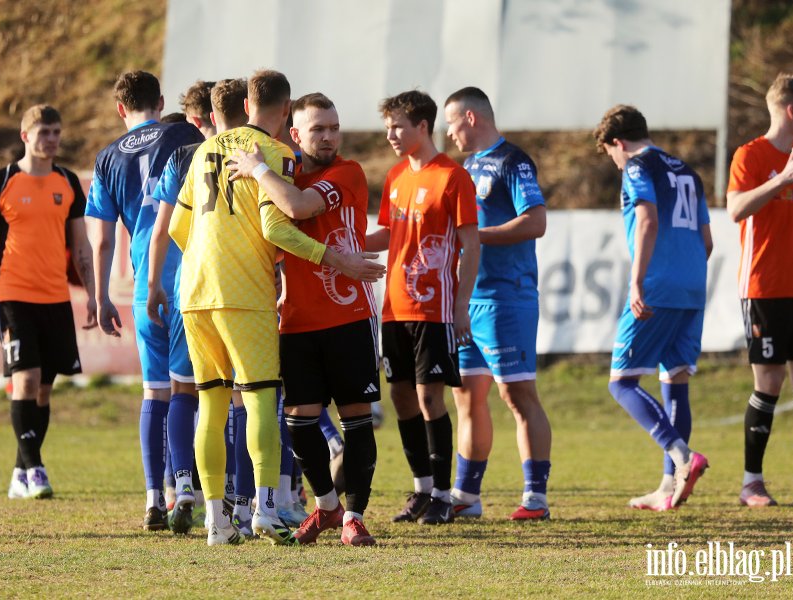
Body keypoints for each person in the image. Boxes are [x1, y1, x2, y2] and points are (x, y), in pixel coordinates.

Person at [228, 92, 380, 545]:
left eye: (334, 127)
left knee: (355, 420)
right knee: (298, 422)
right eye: (318, 129)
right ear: (295, 135)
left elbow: (297, 207)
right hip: (294, 320)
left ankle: (353, 515)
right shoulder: (283, 174)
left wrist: (257, 169)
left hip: (349, 315)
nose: (330, 136)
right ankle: (327, 506)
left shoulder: (346, 172)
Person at [85, 70, 203, 530]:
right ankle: (187, 486)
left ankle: (154, 497)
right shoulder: (184, 134)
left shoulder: (106, 158)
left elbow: (100, 241)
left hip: (142, 286)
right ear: (159, 100)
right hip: (187, 277)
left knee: (153, 390)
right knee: (188, 389)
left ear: (120, 109)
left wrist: (99, 297)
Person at [0, 105, 97, 500]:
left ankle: (21, 469)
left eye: (57, 132)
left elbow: (80, 244)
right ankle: (36, 470)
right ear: (25, 136)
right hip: (12, 295)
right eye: (44, 132)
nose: (52, 139)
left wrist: (92, 293)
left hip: (55, 298)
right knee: (23, 379)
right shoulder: (1, 181)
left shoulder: (68, 182)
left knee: (43, 389)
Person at [365, 90, 480, 525]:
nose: (391, 134)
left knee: (432, 396)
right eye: (388, 127)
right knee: (400, 396)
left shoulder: (453, 178)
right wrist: (336, 241)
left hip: (435, 308)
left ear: (422, 127)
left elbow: (471, 245)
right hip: (394, 307)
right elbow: (387, 236)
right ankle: (422, 490)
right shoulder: (395, 176)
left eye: (398, 126)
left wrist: (462, 304)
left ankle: (445, 496)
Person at [443, 87, 553, 520]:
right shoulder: (466, 167)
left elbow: (537, 220)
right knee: (467, 396)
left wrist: (475, 237)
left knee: (517, 393)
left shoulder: (514, 161)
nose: (448, 132)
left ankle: (536, 497)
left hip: (508, 297)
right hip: (469, 299)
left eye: (450, 123)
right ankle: (467, 496)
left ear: (470, 118)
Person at [594, 105, 711, 510]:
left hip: (657, 285)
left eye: (611, 154)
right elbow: (707, 241)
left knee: (621, 382)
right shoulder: (688, 172)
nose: (614, 162)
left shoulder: (637, 168)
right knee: (675, 380)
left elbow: (646, 220)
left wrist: (638, 281)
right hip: (693, 285)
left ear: (618, 143)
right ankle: (667, 487)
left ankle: (682, 458)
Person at [148, 78, 249, 534]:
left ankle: (184, 484)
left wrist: (154, 282)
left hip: (190, 289)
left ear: (199, 117)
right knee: (244, 395)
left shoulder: (182, 158)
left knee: (184, 389)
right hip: (241, 290)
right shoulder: (253, 153)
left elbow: (166, 227)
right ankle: (246, 500)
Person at [726, 73, 793, 507]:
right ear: (792, 109)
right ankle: (751, 482)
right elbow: (736, 208)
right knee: (770, 381)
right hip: (765, 285)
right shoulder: (751, 154)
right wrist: (781, 180)